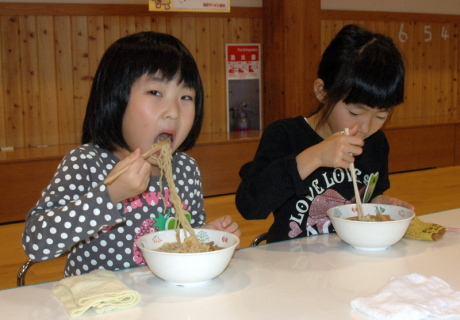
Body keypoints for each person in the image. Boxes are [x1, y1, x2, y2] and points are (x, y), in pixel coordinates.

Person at [22, 31, 240, 277]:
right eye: (155, 93)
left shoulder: (186, 168)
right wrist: (110, 194)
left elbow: (187, 230)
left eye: (186, 97)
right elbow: (36, 244)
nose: (174, 112)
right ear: (116, 98)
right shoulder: (86, 163)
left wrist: (204, 235)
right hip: (101, 305)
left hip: (167, 300)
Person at [235, 24, 414, 243]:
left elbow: (369, 196)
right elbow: (250, 206)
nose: (366, 128)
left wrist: (381, 204)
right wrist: (315, 157)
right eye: (355, 111)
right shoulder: (284, 135)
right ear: (322, 92)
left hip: (350, 259)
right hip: (292, 263)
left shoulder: (376, 142)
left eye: (381, 115)